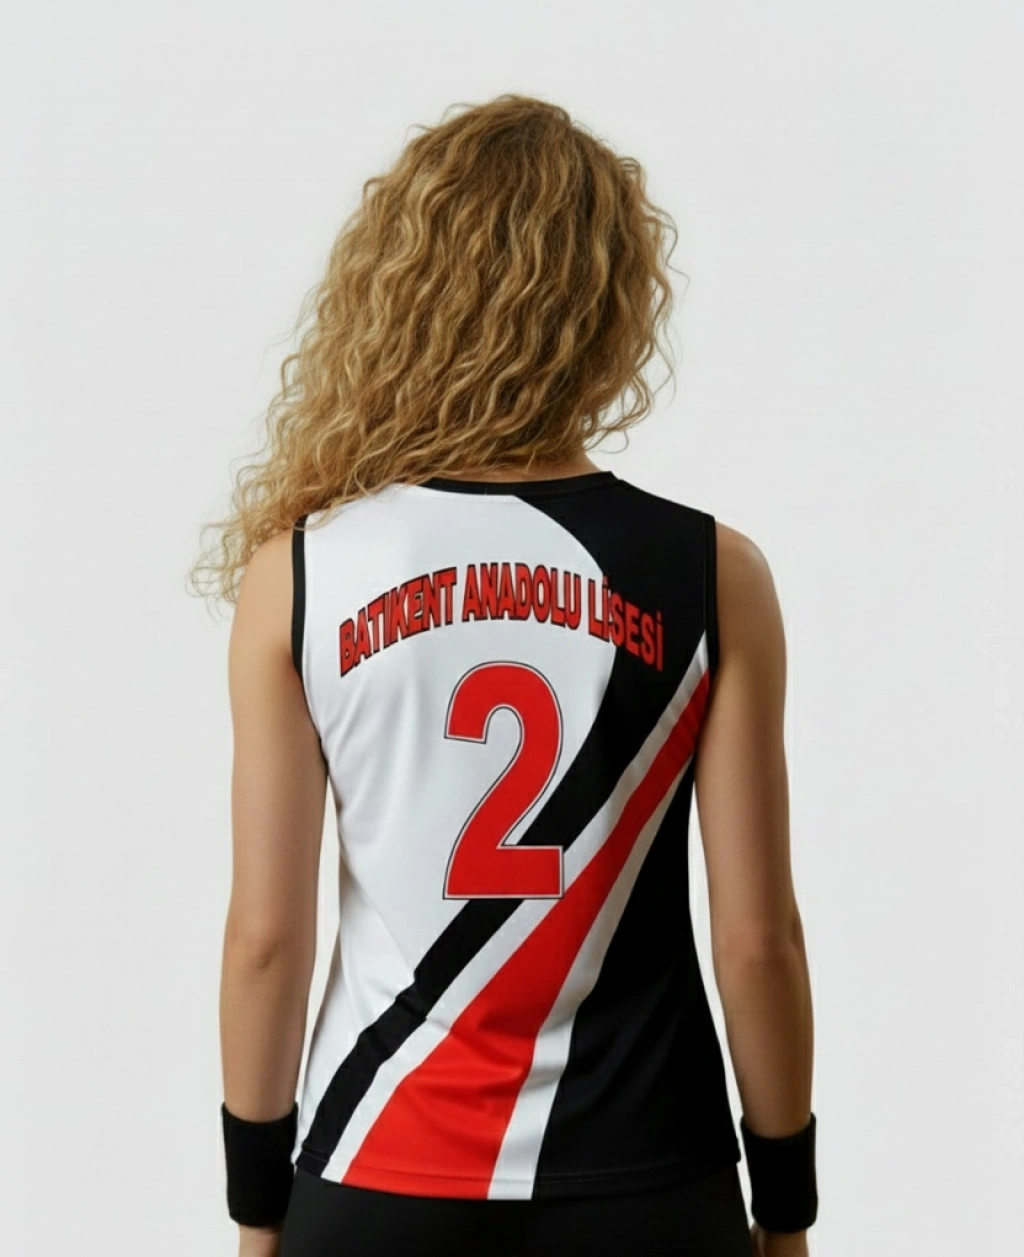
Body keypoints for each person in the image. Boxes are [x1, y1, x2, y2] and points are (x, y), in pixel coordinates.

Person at [189, 93, 817, 1257]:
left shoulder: (302, 575)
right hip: (647, 1182)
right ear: (614, 306)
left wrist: (256, 1211)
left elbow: (266, 940)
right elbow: (757, 941)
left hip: (377, 1176)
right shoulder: (711, 573)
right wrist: (787, 1210)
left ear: (400, 296)